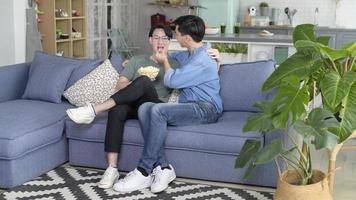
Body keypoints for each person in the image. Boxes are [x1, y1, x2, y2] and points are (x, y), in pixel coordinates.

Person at [66, 24, 221, 190]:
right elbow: (119, 86)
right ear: (150, 40)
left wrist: (217, 57)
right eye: (156, 37)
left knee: (145, 82)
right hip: (134, 104)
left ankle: (94, 110)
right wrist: (136, 83)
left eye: (165, 38)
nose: (160, 41)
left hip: (156, 105)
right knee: (118, 108)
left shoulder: (176, 62)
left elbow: (200, 62)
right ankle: (112, 169)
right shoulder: (137, 60)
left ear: (170, 42)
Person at [113, 15, 223, 194]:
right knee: (145, 108)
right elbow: (169, 54)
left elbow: (172, 81)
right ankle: (164, 168)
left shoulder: (201, 60)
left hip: (206, 108)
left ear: (187, 38)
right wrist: (135, 61)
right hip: (191, 106)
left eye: (177, 34)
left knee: (157, 110)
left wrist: (164, 62)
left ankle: (143, 170)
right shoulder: (190, 53)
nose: (175, 38)